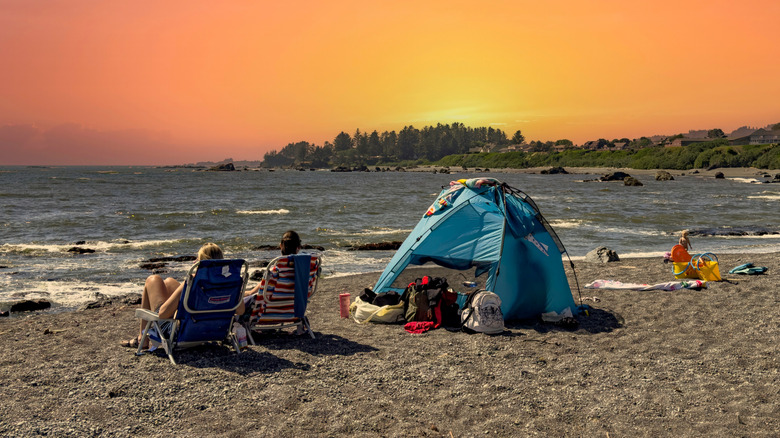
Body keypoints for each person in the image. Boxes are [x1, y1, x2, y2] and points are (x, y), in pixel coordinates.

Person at [121, 242, 241, 348]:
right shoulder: (230, 285)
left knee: (153, 279)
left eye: (197, 260)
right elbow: (240, 310)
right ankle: (142, 338)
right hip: (213, 330)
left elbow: (162, 314)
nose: (195, 262)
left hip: (183, 333)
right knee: (169, 282)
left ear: (201, 263)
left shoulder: (193, 282)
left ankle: (142, 338)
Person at [243, 230, 303, 317]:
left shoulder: (278, 269)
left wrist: (251, 293)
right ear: (299, 247)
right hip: (292, 311)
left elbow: (267, 284)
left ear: (280, 246)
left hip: (267, 313)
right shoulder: (303, 269)